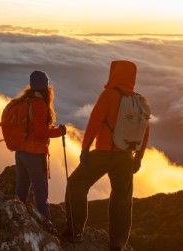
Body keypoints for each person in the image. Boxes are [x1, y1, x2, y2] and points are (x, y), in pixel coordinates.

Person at [64, 60, 150, 250]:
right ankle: (117, 244)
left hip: (104, 152)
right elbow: (144, 132)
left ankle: (75, 231)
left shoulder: (109, 95)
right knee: (122, 200)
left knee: (76, 184)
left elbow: (94, 123)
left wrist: (85, 149)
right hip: (127, 157)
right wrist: (139, 158)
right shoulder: (139, 101)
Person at [14, 70, 66, 233]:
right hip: (35, 154)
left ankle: (16, 220)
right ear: (46, 86)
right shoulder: (39, 104)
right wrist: (59, 132)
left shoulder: (25, 101)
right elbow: (40, 132)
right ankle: (45, 225)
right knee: (40, 192)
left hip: (20, 152)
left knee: (21, 189)